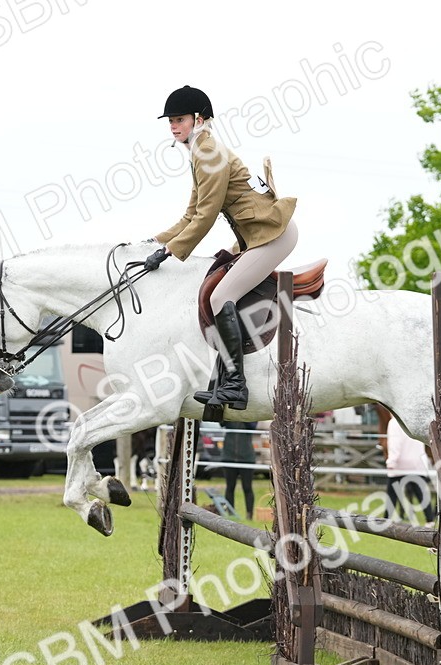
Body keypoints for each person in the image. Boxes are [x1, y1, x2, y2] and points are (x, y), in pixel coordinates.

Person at [145, 85, 299, 411]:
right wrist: (156, 241)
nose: (173, 126)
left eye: (180, 119)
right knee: (216, 284)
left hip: (272, 235)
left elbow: (206, 215)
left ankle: (236, 386)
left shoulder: (209, 153)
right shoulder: (201, 151)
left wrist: (173, 250)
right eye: (170, 120)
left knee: (220, 297)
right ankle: (222, 381)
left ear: (199, 119)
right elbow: (191, 213)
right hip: (257, 235)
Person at [384, 417, 435, 523]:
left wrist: (391, 461)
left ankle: (385, 520)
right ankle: (430, 520)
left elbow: (395, 444)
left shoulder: (394, 423)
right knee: (421, 494)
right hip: (417, 463)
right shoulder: (415, 420)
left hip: (400, 465)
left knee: (392, 494)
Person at [221, 420, 257, 519]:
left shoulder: (250, 413)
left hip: (247, 457)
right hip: (229, 456)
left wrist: (242, 415)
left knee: (247, 487)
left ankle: (249, 515)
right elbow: (221, 423)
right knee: (230, 487)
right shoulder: (230, 415)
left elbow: (252, 425)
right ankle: (230, 513)